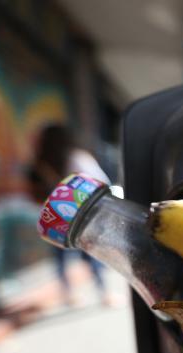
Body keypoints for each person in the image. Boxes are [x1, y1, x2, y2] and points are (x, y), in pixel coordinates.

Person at [30, 124, 115, 306]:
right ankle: (104, 293)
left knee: (61, 258)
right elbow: (100, 181)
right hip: (82, 215)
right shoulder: (76, 157)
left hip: (54, 219)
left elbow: (35, 194)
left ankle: (69, 294)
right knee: (92, 254)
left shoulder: (41, 164)